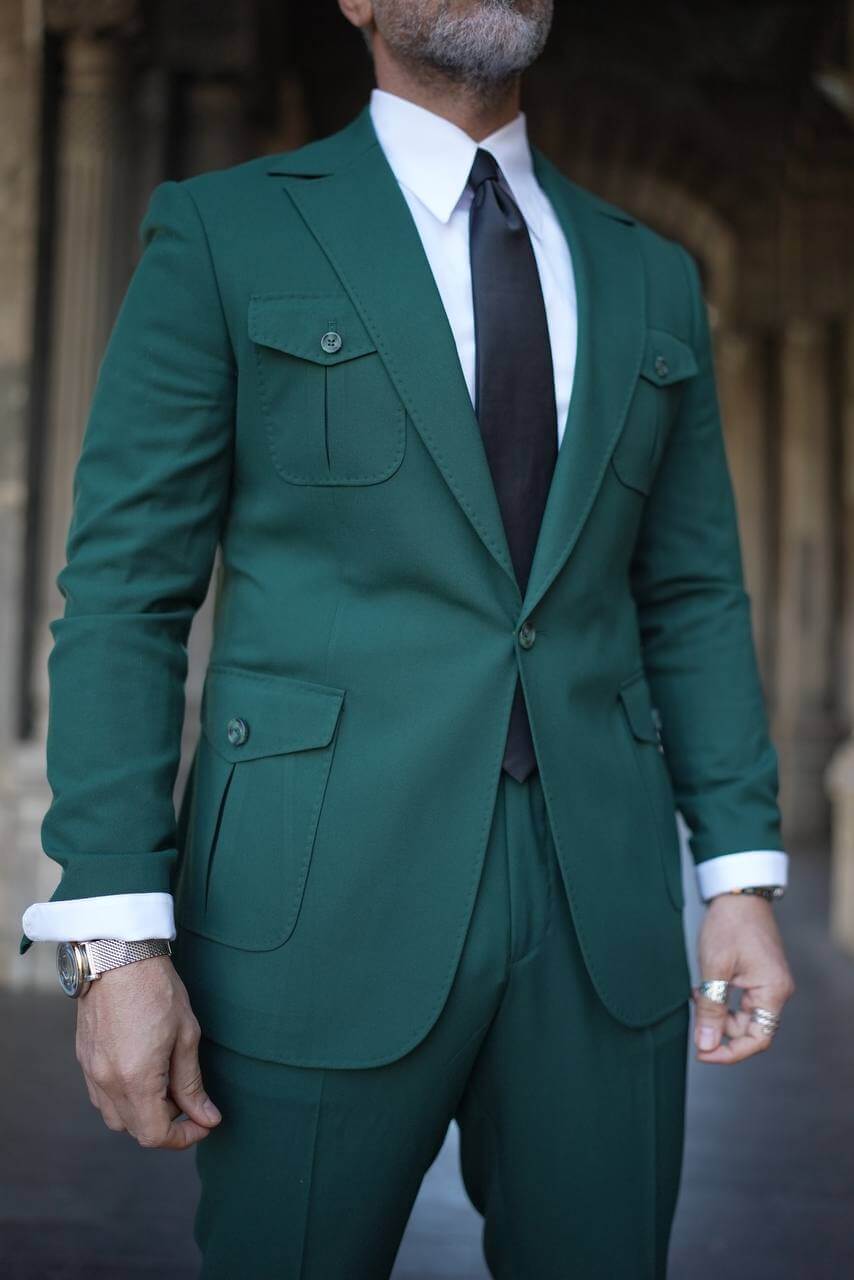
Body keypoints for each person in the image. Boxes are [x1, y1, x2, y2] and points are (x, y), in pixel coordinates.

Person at [19, 1, 795, 1276]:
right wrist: (114, 937)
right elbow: (123, 590)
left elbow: (692, 592)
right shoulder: (226, 232)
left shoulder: (649, 272)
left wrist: (739, 878)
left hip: (601, 913)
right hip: (308, 902)